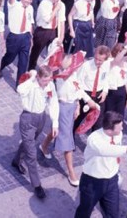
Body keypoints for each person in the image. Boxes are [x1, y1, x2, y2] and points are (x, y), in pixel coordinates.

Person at [41, 55, 99, 187]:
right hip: (62, 108)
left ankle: (43, 146)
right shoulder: (61, 77)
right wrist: (88, 100)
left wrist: (79, 104)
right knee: (67, 139)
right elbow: (74, 88)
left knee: (58, 130)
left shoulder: (74, 75)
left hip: (71, 107)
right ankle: (71, 171)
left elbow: (78, 89)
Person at [74, 111, 127, 218]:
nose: (122, 128)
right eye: (120, 126)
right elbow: (105, 150)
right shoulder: (94, 139)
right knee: (84, 212)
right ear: (109, 129)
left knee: (113, 214)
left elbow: (114, 152)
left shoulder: (118, 134)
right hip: (92, 182)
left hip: (112, 181)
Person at [12, 65, 59, 200]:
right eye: (44, 80)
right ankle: (37, 185)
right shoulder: (31, 85)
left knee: (29, 144)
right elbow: (19, 90)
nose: (47, 83)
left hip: (41, 118)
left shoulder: (50, 85)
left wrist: (55, 123)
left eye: (49, 79)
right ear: (38, 77)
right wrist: (32, 77)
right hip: (28, 119)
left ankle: (16, 161)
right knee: (31, 154)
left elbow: (53, 102)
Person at [0, 0, 34, 86]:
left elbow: (30, 23)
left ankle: (20, 84)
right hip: (14, 37)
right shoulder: (14, 5)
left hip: (26, 37)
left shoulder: (30, 8)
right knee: (10, 57)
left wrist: (31, 37)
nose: (29, 1)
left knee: (23, 62)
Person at [28, 0, 65, 71]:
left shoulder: (61, 4)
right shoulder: (44, 3)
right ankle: (31, 69)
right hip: (43, 30)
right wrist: (56, 9)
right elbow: (48, 20)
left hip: (54, 31)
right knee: (36, 53)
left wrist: (61, 37)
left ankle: (51, 72)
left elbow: (62, 21)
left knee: (54, 53)